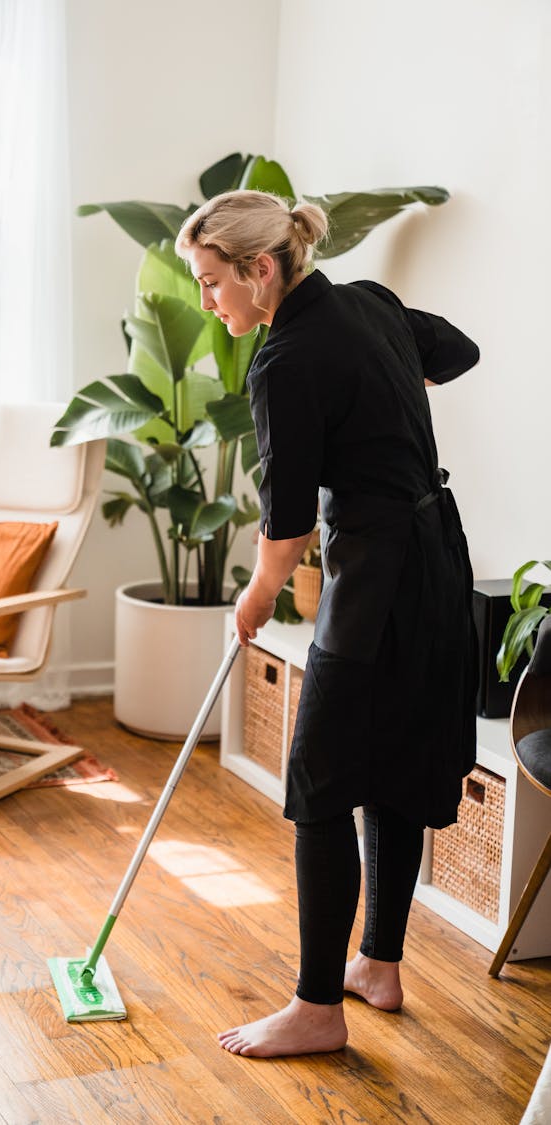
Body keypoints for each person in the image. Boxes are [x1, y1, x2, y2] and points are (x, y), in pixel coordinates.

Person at [175, 190, 480, 1058]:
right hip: (435, 560)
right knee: (386, 767)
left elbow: (287, 523)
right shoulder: (370, 305)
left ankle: (318, 1007)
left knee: (318, 782)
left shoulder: (287, 358)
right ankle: (377, 964)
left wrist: (257, 594)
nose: (208, 302)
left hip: (378, 575)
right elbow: (458, 350)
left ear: (260, 269)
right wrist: (387, 391)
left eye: (211, 283)